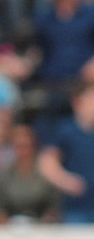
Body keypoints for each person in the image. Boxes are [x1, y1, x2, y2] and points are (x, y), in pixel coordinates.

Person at [41, 81, 94, 224]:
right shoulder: (66, 130)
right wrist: (67, 181)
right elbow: (47, 162)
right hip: (76, 208)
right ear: (78, 102)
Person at [0, 122, 59, 224]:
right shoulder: (5, 175)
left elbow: (54, 206)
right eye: (19, 146)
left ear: (33, 145)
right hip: (11, 230)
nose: (23, 150)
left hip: (42, 230)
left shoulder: (46, 173)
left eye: (25, 145)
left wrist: (47, 222)